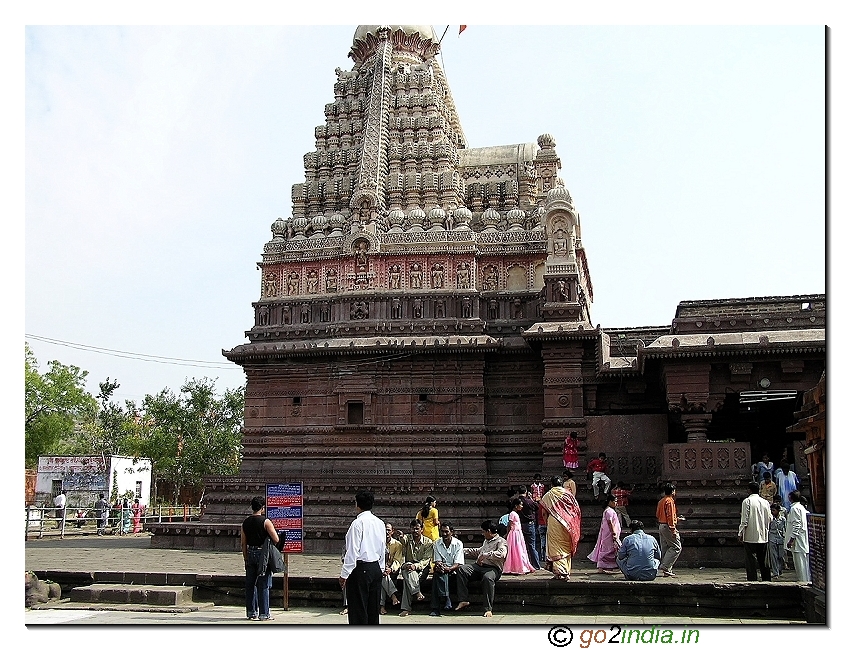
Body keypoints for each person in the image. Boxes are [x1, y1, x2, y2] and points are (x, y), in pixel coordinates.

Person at [339, 490, 385, 625]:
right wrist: (380, 568)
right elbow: (383, 547)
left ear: (357, 505)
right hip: (375, 567)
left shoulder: (357, 524)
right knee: (372, 609)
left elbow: (352, 551)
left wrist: (344, 574)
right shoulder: (380, 523)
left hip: (361, 569)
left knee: (358, 609)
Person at [454, 520, 508, 618]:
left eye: (483, 532)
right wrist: (463, 551)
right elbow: (479, 551)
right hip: (479, 567)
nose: (482, 534)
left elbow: (502, 554)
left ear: (488, 531)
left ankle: (488, 609)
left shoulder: (501, 541)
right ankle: (463, 599)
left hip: (493, 569)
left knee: (487, 578)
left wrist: (487, 555)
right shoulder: (486, 541)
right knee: (462, 569)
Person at [241, 496, 280, 621]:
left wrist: (245, 557)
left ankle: (251, 612)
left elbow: (243, 543)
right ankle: (264, 613)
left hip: (251, 552)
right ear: (262, 508)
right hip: (262, 554)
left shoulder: (245, 522)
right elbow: (276, 539)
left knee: (250, 584)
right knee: (263, 583)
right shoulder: (265, 521)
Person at [539, 476, 582, 581]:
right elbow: (577, 510)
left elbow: (544, 513)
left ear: (551, 484)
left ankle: (561, 572)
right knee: (566, 546)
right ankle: (565, 571)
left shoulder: (549, 495)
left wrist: (547, 523)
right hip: (568, 523)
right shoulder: (569, 494)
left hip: (554, 522)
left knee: (556, 546)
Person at [395, 519, 433, 617]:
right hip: (407, 566)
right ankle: (417, 592)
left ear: (422, 529)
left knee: (407, 579)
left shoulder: (428, 542)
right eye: (413, 529)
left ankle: (406, 608)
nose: (415, 531)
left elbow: (426, 560)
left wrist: (415, 566)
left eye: (417, 529)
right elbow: (403, 540)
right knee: (407, 567)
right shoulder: (408, 538)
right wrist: (401, 536)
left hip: (421, 569)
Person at [738, 482, 772, 582]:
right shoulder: (765, 502)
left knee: (750, 560)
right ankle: (766, 579)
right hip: (763, 535)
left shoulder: (747, 501)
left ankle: (752, 579)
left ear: (749, 490)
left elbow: (745, 520)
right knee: (763, 560)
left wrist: (740, 533)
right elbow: (770, 518)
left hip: (750, 535)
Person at [430, 523, 464, 617]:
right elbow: (437, 560)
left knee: (439, 577)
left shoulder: (458, 544)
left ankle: (442, 601)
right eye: (442, 531)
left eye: (446, 532)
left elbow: (458, 563)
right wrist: (440, 566)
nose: (444, 534)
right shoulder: (437, 543)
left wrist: (448, 569)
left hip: (455, 570)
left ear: (451, 532)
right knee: (437, 574)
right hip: (442, 570)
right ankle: (443, 601)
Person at [588, 493, 622, 574]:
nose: (616, 503)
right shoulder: (609, 511)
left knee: (612, 550)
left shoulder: (609, 510)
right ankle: (601, 566)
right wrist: (613, 533)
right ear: (610, 501)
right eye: (615, 501)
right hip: (609, 534)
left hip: (608, 533)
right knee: (607, 550)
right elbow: (610, 523)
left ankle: (611, 566)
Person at [656, 483, 684, 577]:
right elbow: (670, 516)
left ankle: (667, 570)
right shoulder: (669, 501)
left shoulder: (661, 501)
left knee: (665, 547)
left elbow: (658, 515)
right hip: (668, 526)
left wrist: (676, 519)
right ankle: (665, 566)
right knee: (676, 547)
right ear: (672, 492)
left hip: (661, 525)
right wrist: (673, 529)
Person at [503, 497, 535, 575]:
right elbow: (509, 525)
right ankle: (518, 566)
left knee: (519, 549)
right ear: (516, 506)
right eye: (521, 505)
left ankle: (520, 566)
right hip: (514, 534)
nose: (522, 506)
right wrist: (507, 534)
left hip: (517, 533)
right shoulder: (512, 514)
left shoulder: (515, 514)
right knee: (516, 550)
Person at [784, 491, 810, 582]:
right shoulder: (801, 508)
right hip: (801, 539)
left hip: (798, 541)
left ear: (791, 498)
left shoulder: (795, 509)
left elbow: (797, 525)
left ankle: (803, 583)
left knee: (801, 565)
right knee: (803, 564)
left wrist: (791, 539)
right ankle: (804, 581)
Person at [380, 522, 403, 614]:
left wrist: (390, 569)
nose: (386, 532)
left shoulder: (397, 545)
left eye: (388, 530)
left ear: (392, 531)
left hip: (392, 571)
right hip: (380, 569)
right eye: (385, 529)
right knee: (382, 577)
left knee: (383, 576)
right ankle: (393, 596)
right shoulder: (377, 543)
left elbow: (398, 561)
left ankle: (382, 606)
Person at [517, 485, 541, 569]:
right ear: (526, 492)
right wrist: (531, 498)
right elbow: (537, 507)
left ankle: (522, 564)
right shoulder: (528, 502)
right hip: (529, 525)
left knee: (520, 546)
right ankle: (536, 565)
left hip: (519, 525)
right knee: (532, 546)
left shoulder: (516, 502)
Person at [768, 503, 787, 579]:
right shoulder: (770, 519)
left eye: (774, 510)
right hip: (772, 538)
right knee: (774, 556)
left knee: (780, 556)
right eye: (771, 510)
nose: (772, 512)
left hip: (781, 538)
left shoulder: (783, 519)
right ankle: (775, 572)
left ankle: (780, 570)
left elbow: (785, 529)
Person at [531, 474, 547, 559]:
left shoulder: (542, 486)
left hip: (540, 501)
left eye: (538, 479)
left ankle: (543, 556)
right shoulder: (532, 486)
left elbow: (543, 493)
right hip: (535, 501)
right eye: (536, 479)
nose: (537, 481)